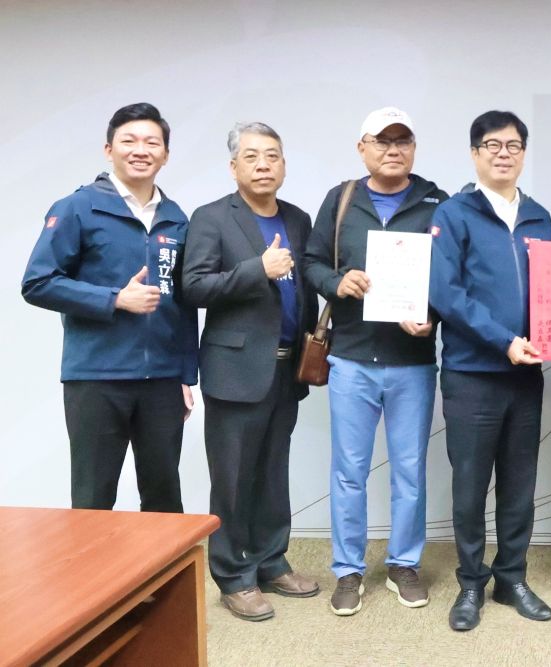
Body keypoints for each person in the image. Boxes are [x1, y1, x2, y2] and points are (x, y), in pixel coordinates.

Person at [302, 107, 446, 617]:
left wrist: (432, 315)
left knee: (409, 470)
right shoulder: (342, 199)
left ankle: (404, 564)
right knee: (349, 471)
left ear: (414, 148)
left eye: (402, 140)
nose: (393, 150)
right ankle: (348, 570)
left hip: (412, 361)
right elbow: (311, 262)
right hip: (352, 357)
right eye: (382, 141)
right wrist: (336, 282)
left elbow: (452, 275)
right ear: (362, 148)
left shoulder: (437, 202)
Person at [22, 102, 197, 513]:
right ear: (108, 150)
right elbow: (37, 282)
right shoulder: (77, 207)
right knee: (93, 499)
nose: (141, 150)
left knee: (163, 498)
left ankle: (161, 564)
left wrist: (186, 375)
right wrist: (114, 298)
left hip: (162, 381)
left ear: (165, 155)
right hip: (96, 379)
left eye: (152, 142)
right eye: (129, 141)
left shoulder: (176, 218)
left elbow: (184, 302)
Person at [181, 122, 320, 621]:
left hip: (287, 368)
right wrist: (255, 270)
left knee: (273, 472)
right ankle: (233, 575)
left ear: (284, 164)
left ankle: (271, 561)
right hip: (235, 369)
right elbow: (193, 287)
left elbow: (306, 287)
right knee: (233, 478)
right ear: (233, 166)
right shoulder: (212, 217)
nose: (264, 165)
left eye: (273, 155)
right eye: (252, 156)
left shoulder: (298, 218)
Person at [429, 110, 551, 631]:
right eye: (492, 145)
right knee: (470, 486)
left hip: (525, 377)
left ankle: (512, 578)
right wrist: (504, 341)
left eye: (513, 145)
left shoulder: (539, 217)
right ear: (475, 154)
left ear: (524, 153)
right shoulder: (454, 214)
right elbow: (446, 293)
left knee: (519, 485)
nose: (504, 154)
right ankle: (470, 583)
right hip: (472, 374)